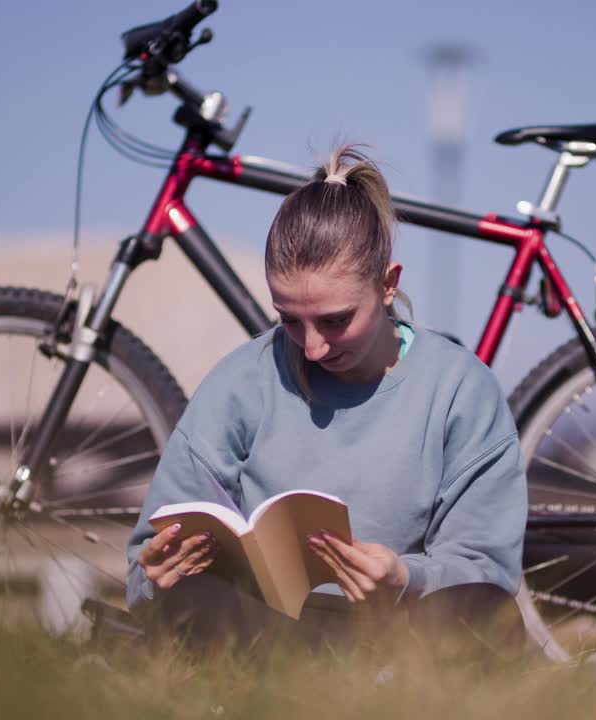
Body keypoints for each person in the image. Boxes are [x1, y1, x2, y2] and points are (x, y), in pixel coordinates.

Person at [125, 144, 528, 658]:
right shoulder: (241, 381)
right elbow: (145, 559)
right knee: (190, 601)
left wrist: (405, 575)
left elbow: (487, 568)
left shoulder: (459, 388)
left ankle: (334, 680)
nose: (312, 346)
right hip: (264, 624)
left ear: (388, 284)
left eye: (336, 320)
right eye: (289, 319)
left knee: (484, 611)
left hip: (396, 630)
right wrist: (156, 576)